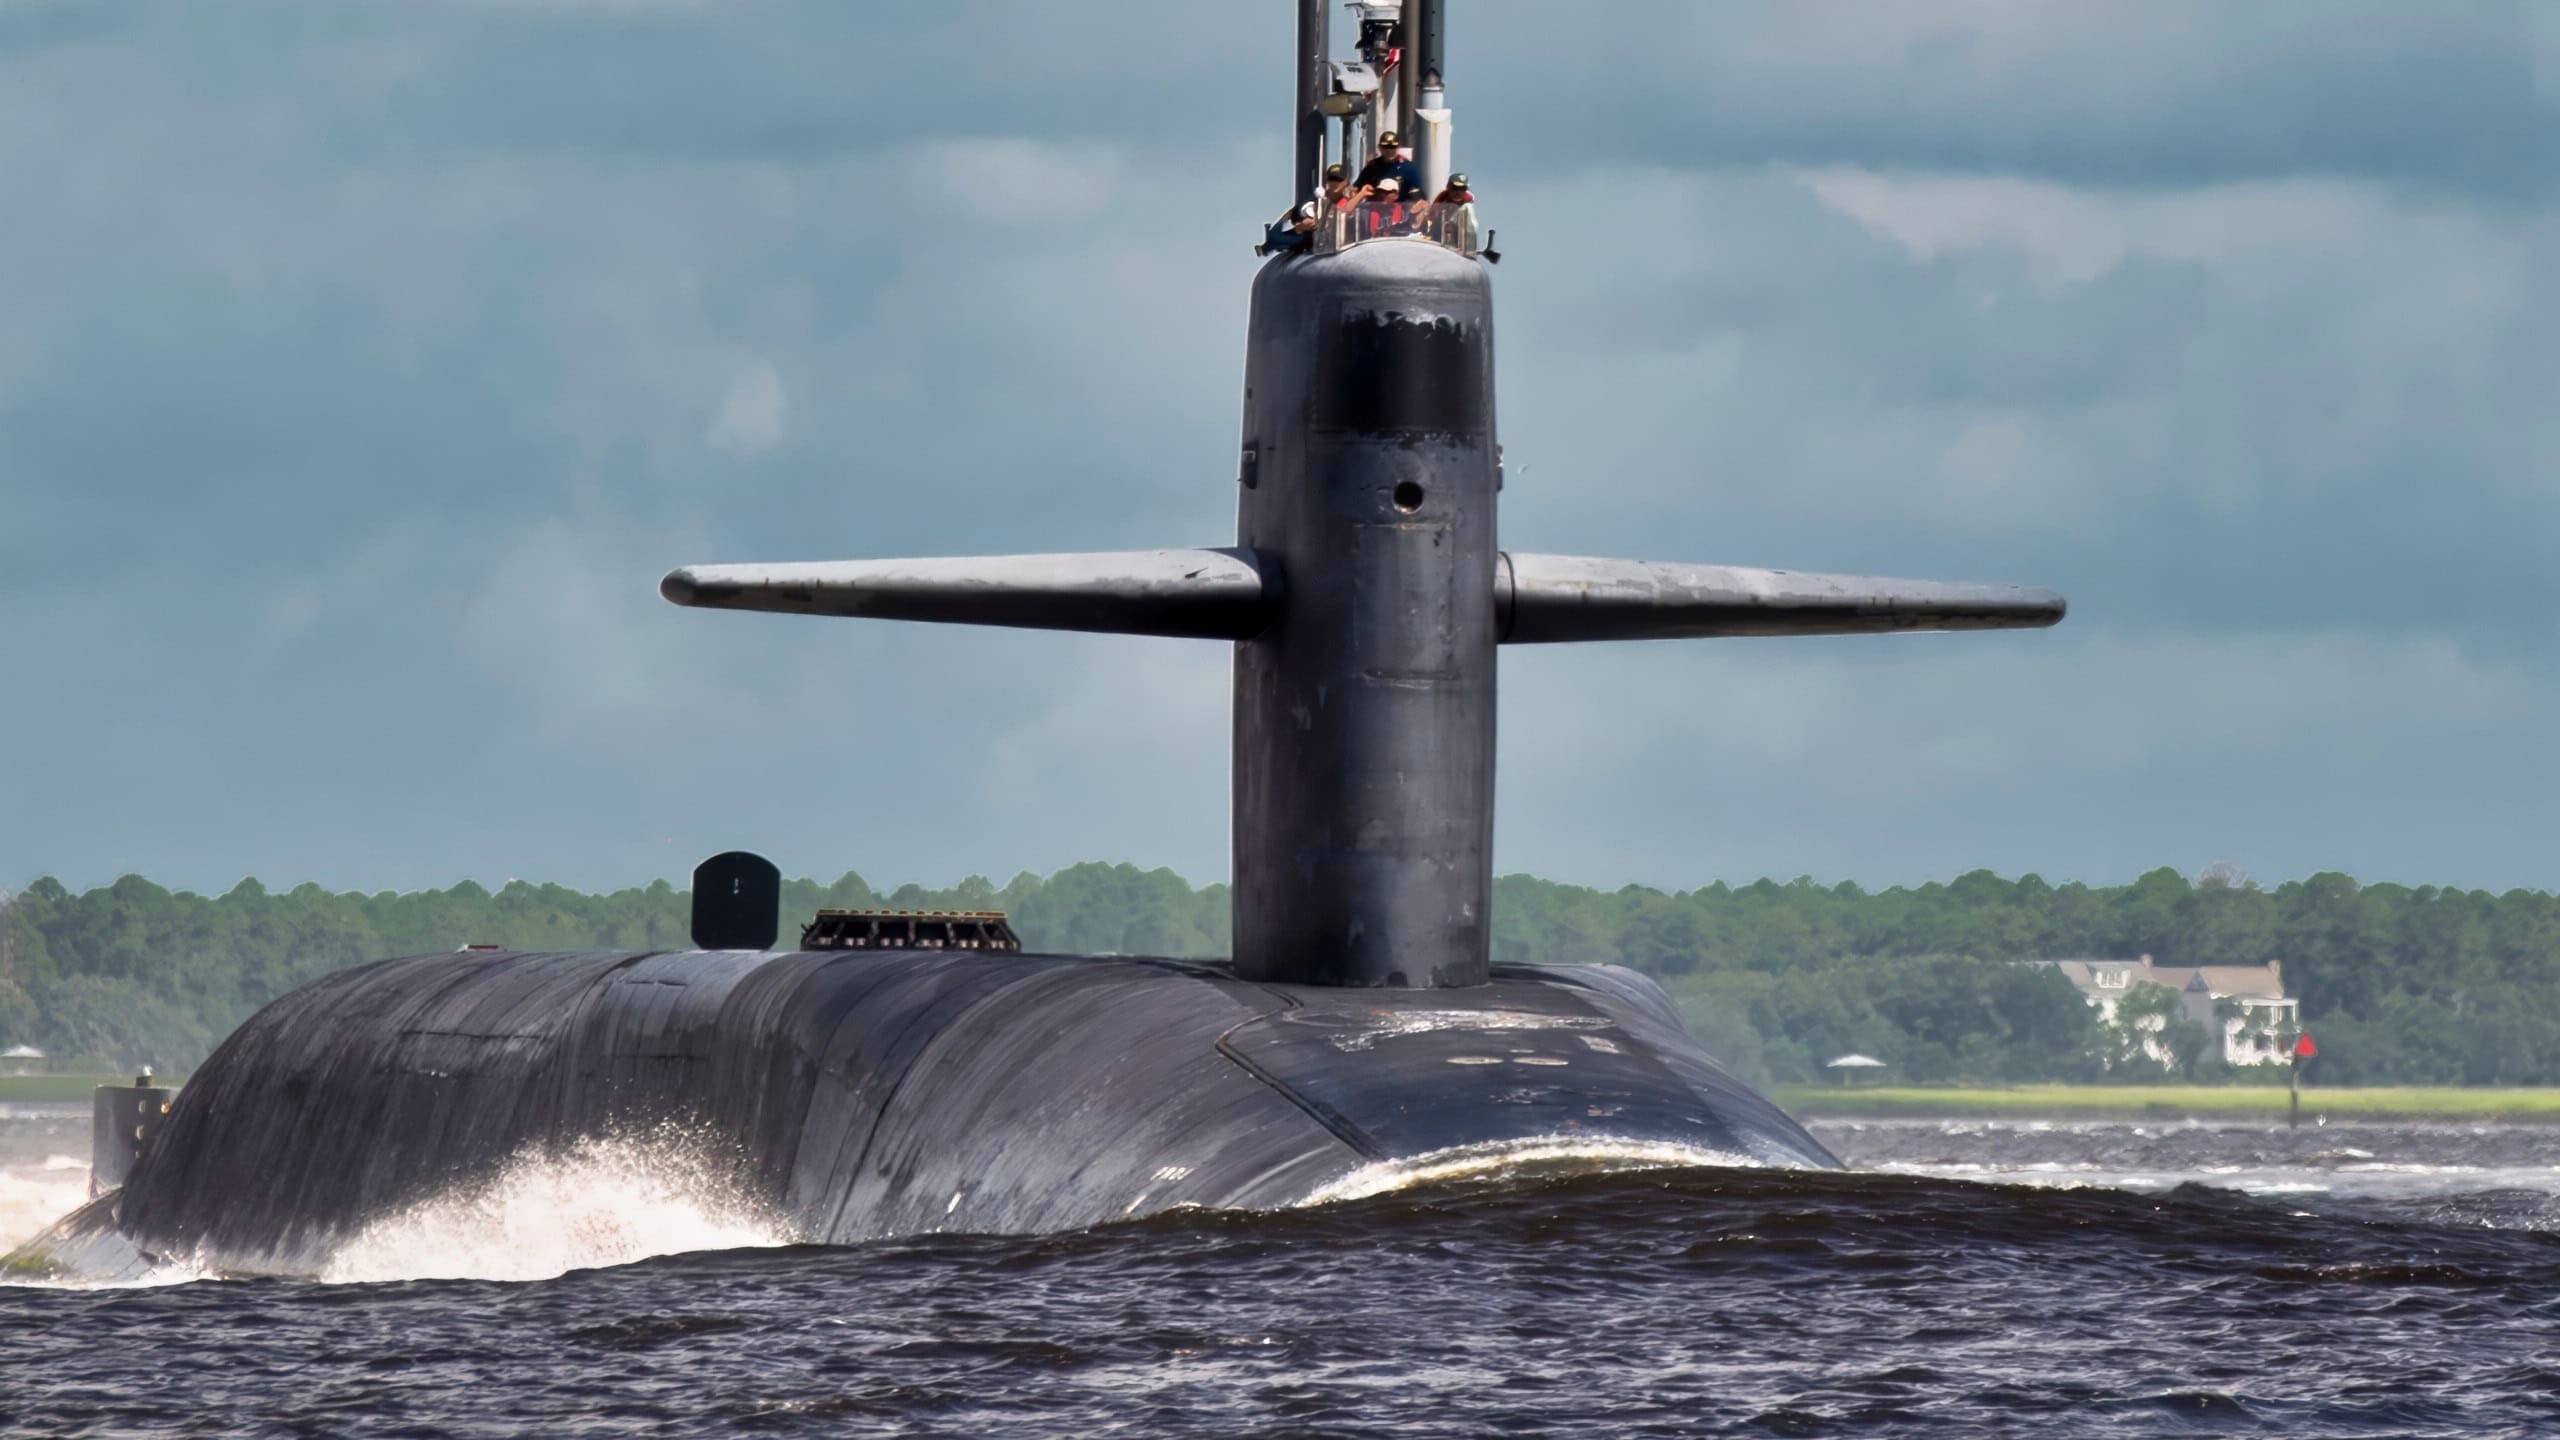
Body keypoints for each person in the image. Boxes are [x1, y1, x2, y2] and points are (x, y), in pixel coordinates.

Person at [1353, 130, 1422, 197]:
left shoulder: (1408, 168)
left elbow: (1417, 194)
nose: (1389, 150)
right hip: (1375, 207)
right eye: (1385, 147)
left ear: (1399, 147)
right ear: (1379, 147)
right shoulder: (1372, 167)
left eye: (1392, 147)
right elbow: (1356, 189)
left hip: (1400, 207)